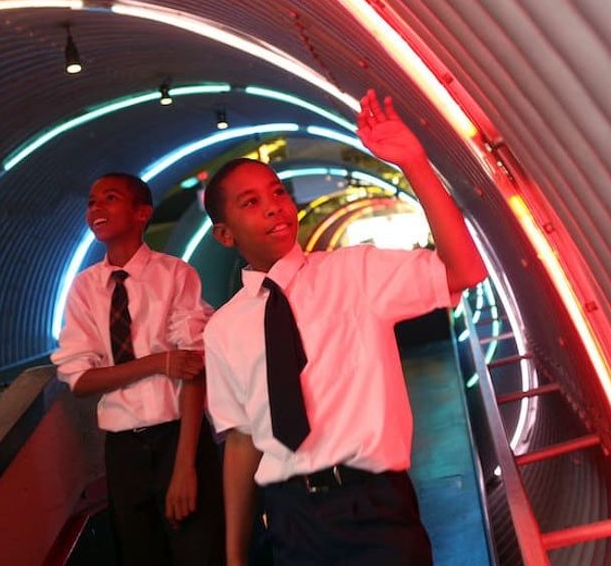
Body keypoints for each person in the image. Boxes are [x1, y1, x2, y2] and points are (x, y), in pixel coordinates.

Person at [202, 90, 488, 566]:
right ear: (225, 234)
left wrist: (413, 163)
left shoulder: (355, 272)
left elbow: (463, 271)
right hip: (290, 517)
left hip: (372, 502)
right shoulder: (224, 329)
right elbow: (241, 439)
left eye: (277, 191)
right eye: (251, 202)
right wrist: (234, 556)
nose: (275, 206)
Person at [51, 173, 225, 565]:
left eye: (109, 198)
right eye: (91, 202)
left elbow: (193, 368)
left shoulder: (175, 275)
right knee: (139, 554)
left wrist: (186, 467)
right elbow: (80, 380)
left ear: (142, 213)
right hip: (123, 450)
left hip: (180, 437)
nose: (95, 208)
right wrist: (158, 362)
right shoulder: (84, 288)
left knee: (199, 550)